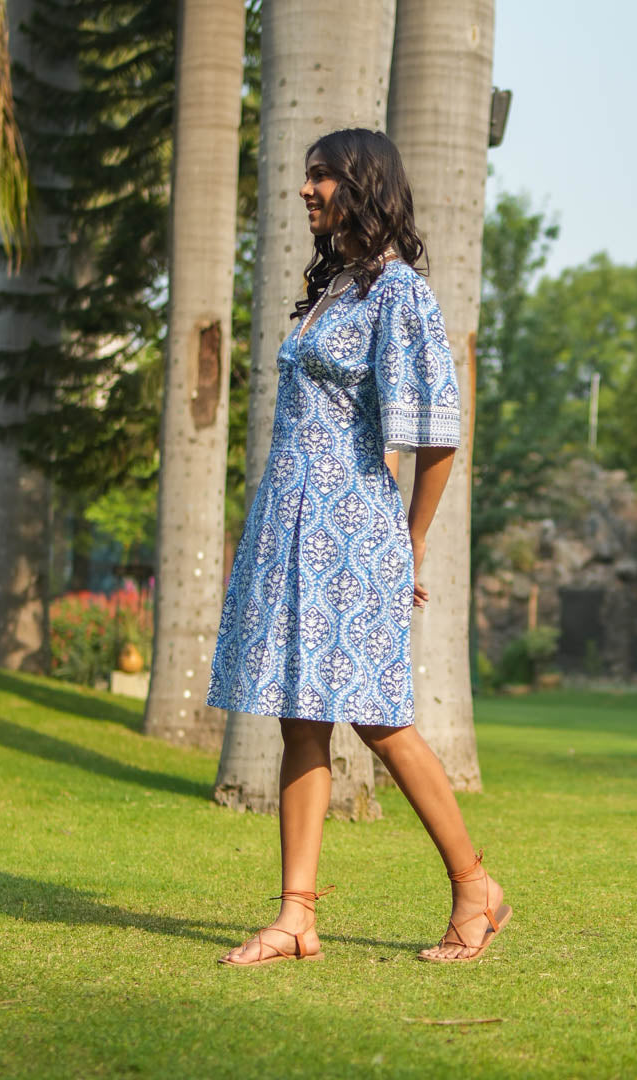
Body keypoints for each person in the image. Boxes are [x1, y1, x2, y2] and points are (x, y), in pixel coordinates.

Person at [207, 128, 510, 966]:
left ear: (363, 184)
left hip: (354, 534)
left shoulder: (398, 295)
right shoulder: (334, 287)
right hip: (290, 528)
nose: (306, 190)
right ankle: (296, 916)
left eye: (322, 176)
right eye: (305, 177)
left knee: (378, 718)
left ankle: (475, 887)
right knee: (298, 722)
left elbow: (438, 436)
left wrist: (407, 544)